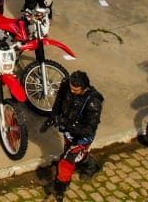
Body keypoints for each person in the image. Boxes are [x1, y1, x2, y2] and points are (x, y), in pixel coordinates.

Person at [41, 70, 104, 201]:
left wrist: (65, 122)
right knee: (74, 155)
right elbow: (58, 101)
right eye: (71, 88)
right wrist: (53, 118)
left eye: (75, 90)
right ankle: (91, 165)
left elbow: (88, 129)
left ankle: (59, 189)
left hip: (82, 137)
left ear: (85, 88)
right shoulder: (67, 85)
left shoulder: (94, 101)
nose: (72, 91)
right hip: (68, 132)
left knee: (66, 161)